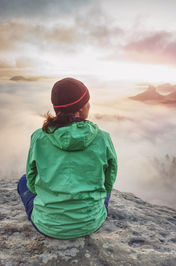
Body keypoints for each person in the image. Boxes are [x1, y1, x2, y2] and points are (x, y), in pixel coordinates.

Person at [17, 77, 118, 239]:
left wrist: (50, 195)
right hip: (91, 223)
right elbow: (109, 180)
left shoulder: (39, 137)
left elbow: (31, 180)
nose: (89, 106)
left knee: (22, 182)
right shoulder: (102, 138)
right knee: (105, 190)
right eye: (87, 103)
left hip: (48, 226)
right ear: (79, 109)